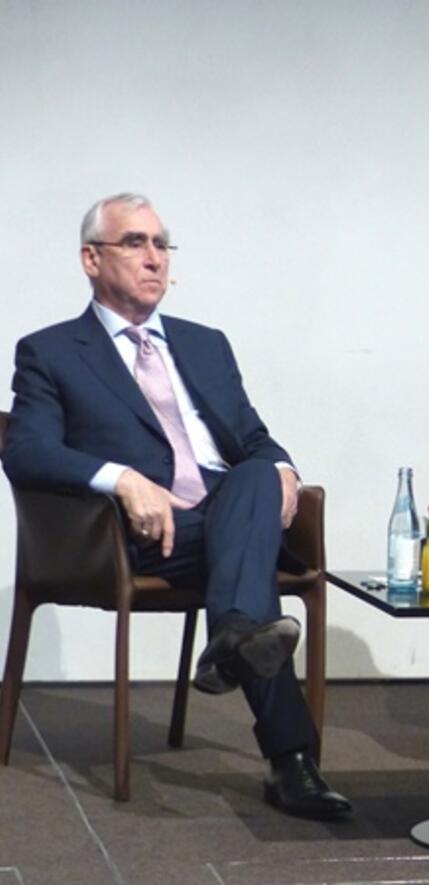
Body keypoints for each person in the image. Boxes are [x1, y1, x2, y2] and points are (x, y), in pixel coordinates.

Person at [2, 194, 351, 820]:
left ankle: (234, 633)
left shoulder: (206, 344)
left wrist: (284, 470)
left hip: (230, 515)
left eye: (162, 245)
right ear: (90, 258)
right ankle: (290, 758)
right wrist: (121, 479)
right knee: (248, 565)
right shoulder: (51, 352)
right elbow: (25, 451)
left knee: (253, 474)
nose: (153, 258)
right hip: (139, 531)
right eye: (135, 243)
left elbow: (255, 437)